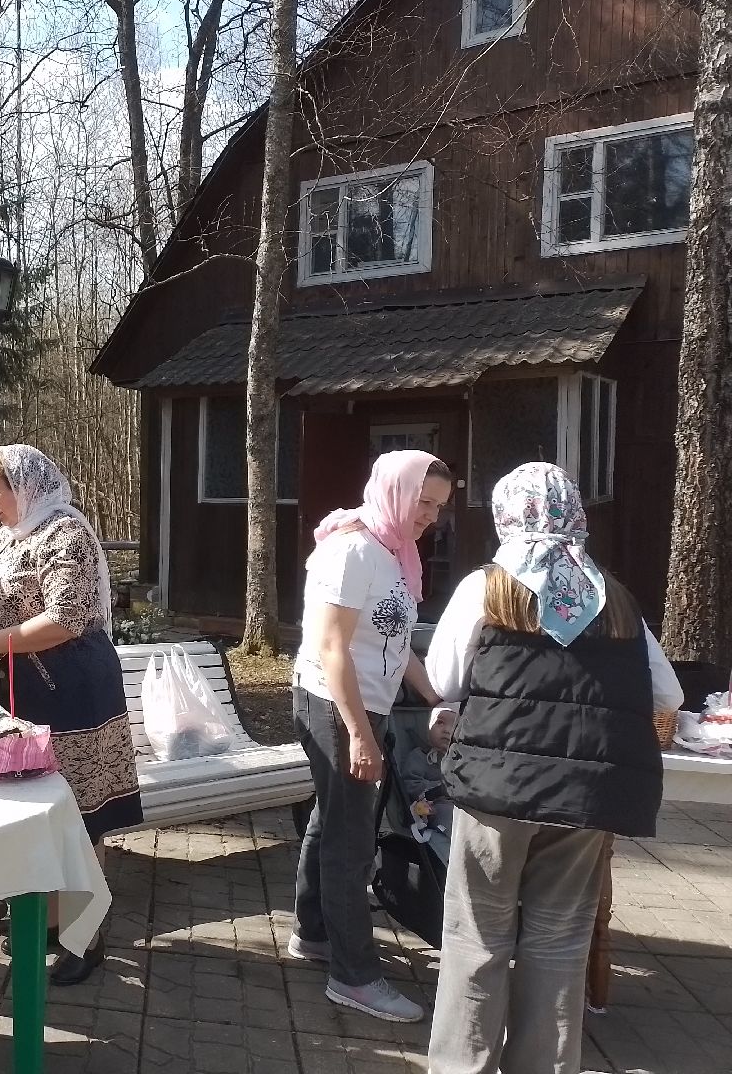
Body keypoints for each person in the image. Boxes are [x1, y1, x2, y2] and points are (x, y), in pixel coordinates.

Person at [424, 462, 681, 1074]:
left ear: (506, 516)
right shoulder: (615, 598)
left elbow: (442, 680)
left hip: (496, 790)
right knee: (559, 942)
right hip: (586, 799)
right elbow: (667, 695)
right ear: (575, 516)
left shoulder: (486, 588)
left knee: (478, 940)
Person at [0, 444, 143, 986]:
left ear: (30, 486)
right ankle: (44, 919)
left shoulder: (67, 534)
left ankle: (85, 934)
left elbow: (66, 618)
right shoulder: (5, 538)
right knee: (31, 809)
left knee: (79, 813)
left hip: (71, 692)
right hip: (18, 695)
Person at [289, 450, 452, 1023]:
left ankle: (313, 933)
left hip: (367, 707)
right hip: (336, 707)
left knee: (329, 823)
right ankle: (353, 977)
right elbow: (332, 647)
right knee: (352, 842)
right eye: (423, 501)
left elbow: (395, 642)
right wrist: (360, 734)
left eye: (437, 506)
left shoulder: (394, 550)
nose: (429, 515)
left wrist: (435, 696)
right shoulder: (351, 549)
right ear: (394, 491)